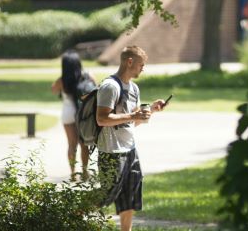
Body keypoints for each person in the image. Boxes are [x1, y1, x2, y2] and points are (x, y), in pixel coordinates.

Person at [95, 46, 165, 231]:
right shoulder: (110, 86)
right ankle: (67, 217)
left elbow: (131, 122)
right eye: (141, 65)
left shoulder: (134, 88)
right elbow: (102, 119)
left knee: (130, 199)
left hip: (130, 150)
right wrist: (134, 116)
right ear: (130, 62)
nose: (143, 68)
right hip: (111, 152)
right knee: (105, 196)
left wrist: (150, 111)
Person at [51, 51, 95, 181]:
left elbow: (53, 90)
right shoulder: (88, 75)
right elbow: (95, 90)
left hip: (68, 113)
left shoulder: (61, 80)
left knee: (71, 145)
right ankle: (85, 172)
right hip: (83, 113)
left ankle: (73, 173)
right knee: (84, 144)